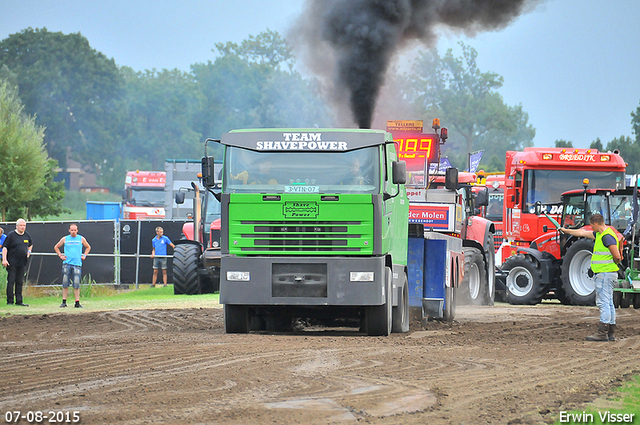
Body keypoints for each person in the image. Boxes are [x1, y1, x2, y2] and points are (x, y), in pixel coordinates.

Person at [560, 213, 621, 341]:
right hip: (607, 274)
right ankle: (610, 333)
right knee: (609, 303)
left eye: (591, 225)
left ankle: (602, 333)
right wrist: (566, 230)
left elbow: (617, 256)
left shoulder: (606, 236)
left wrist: (617, 261)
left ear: (595, 224)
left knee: (603, 303)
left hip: (604, 274)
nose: (590, 228)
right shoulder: (601, 234)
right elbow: (581, 233)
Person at [54, 223, 91, 308]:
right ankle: (64, 301)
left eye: (75, 230)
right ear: (69, 230)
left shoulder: (81, 239)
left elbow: (88, 247)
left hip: (77, 264)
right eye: (72, 230)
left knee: (76, 284)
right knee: (65, 283)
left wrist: (84, 255)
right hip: (67, 263)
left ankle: (77, 302)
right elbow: (56, 247)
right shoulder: (65, 239)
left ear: (77, 230)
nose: (73, 232)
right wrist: (60, 255)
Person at [2, 219, 33, 306]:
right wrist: (4, 259)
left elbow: (30, 244)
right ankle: (10, 301)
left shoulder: (27, 235)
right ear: (17, 226)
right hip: (12, 262)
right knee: (11, 281)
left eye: (24, 225)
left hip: (22, 262)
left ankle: (19, 301)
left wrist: (29, 252)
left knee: (20, 282)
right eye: (21, 225)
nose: (23, 227)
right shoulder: (11, 235)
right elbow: (5, 247)